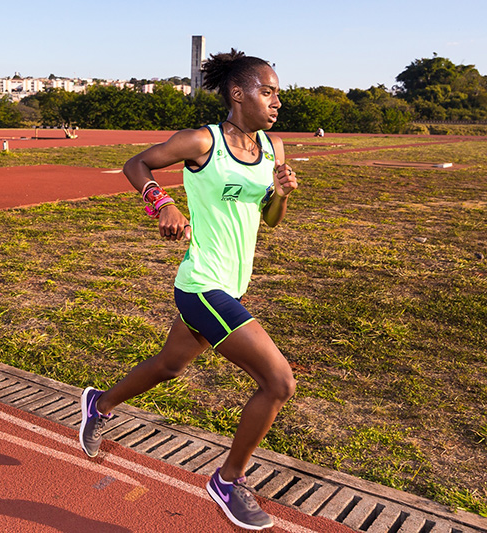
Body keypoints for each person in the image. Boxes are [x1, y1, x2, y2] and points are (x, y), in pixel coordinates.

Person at [78, 48, 299, 531]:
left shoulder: (273, 149)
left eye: (278, 92)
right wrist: (162, 205)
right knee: (279, 382)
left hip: (233, 283)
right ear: (239, 94)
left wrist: (279, 195)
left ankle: (100, 404)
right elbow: (136, 164)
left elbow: (270, 219)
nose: (277, 101)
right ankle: (228, 479)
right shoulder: (202, 141)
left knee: (171, 365)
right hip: (201, 285)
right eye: (269, 91)